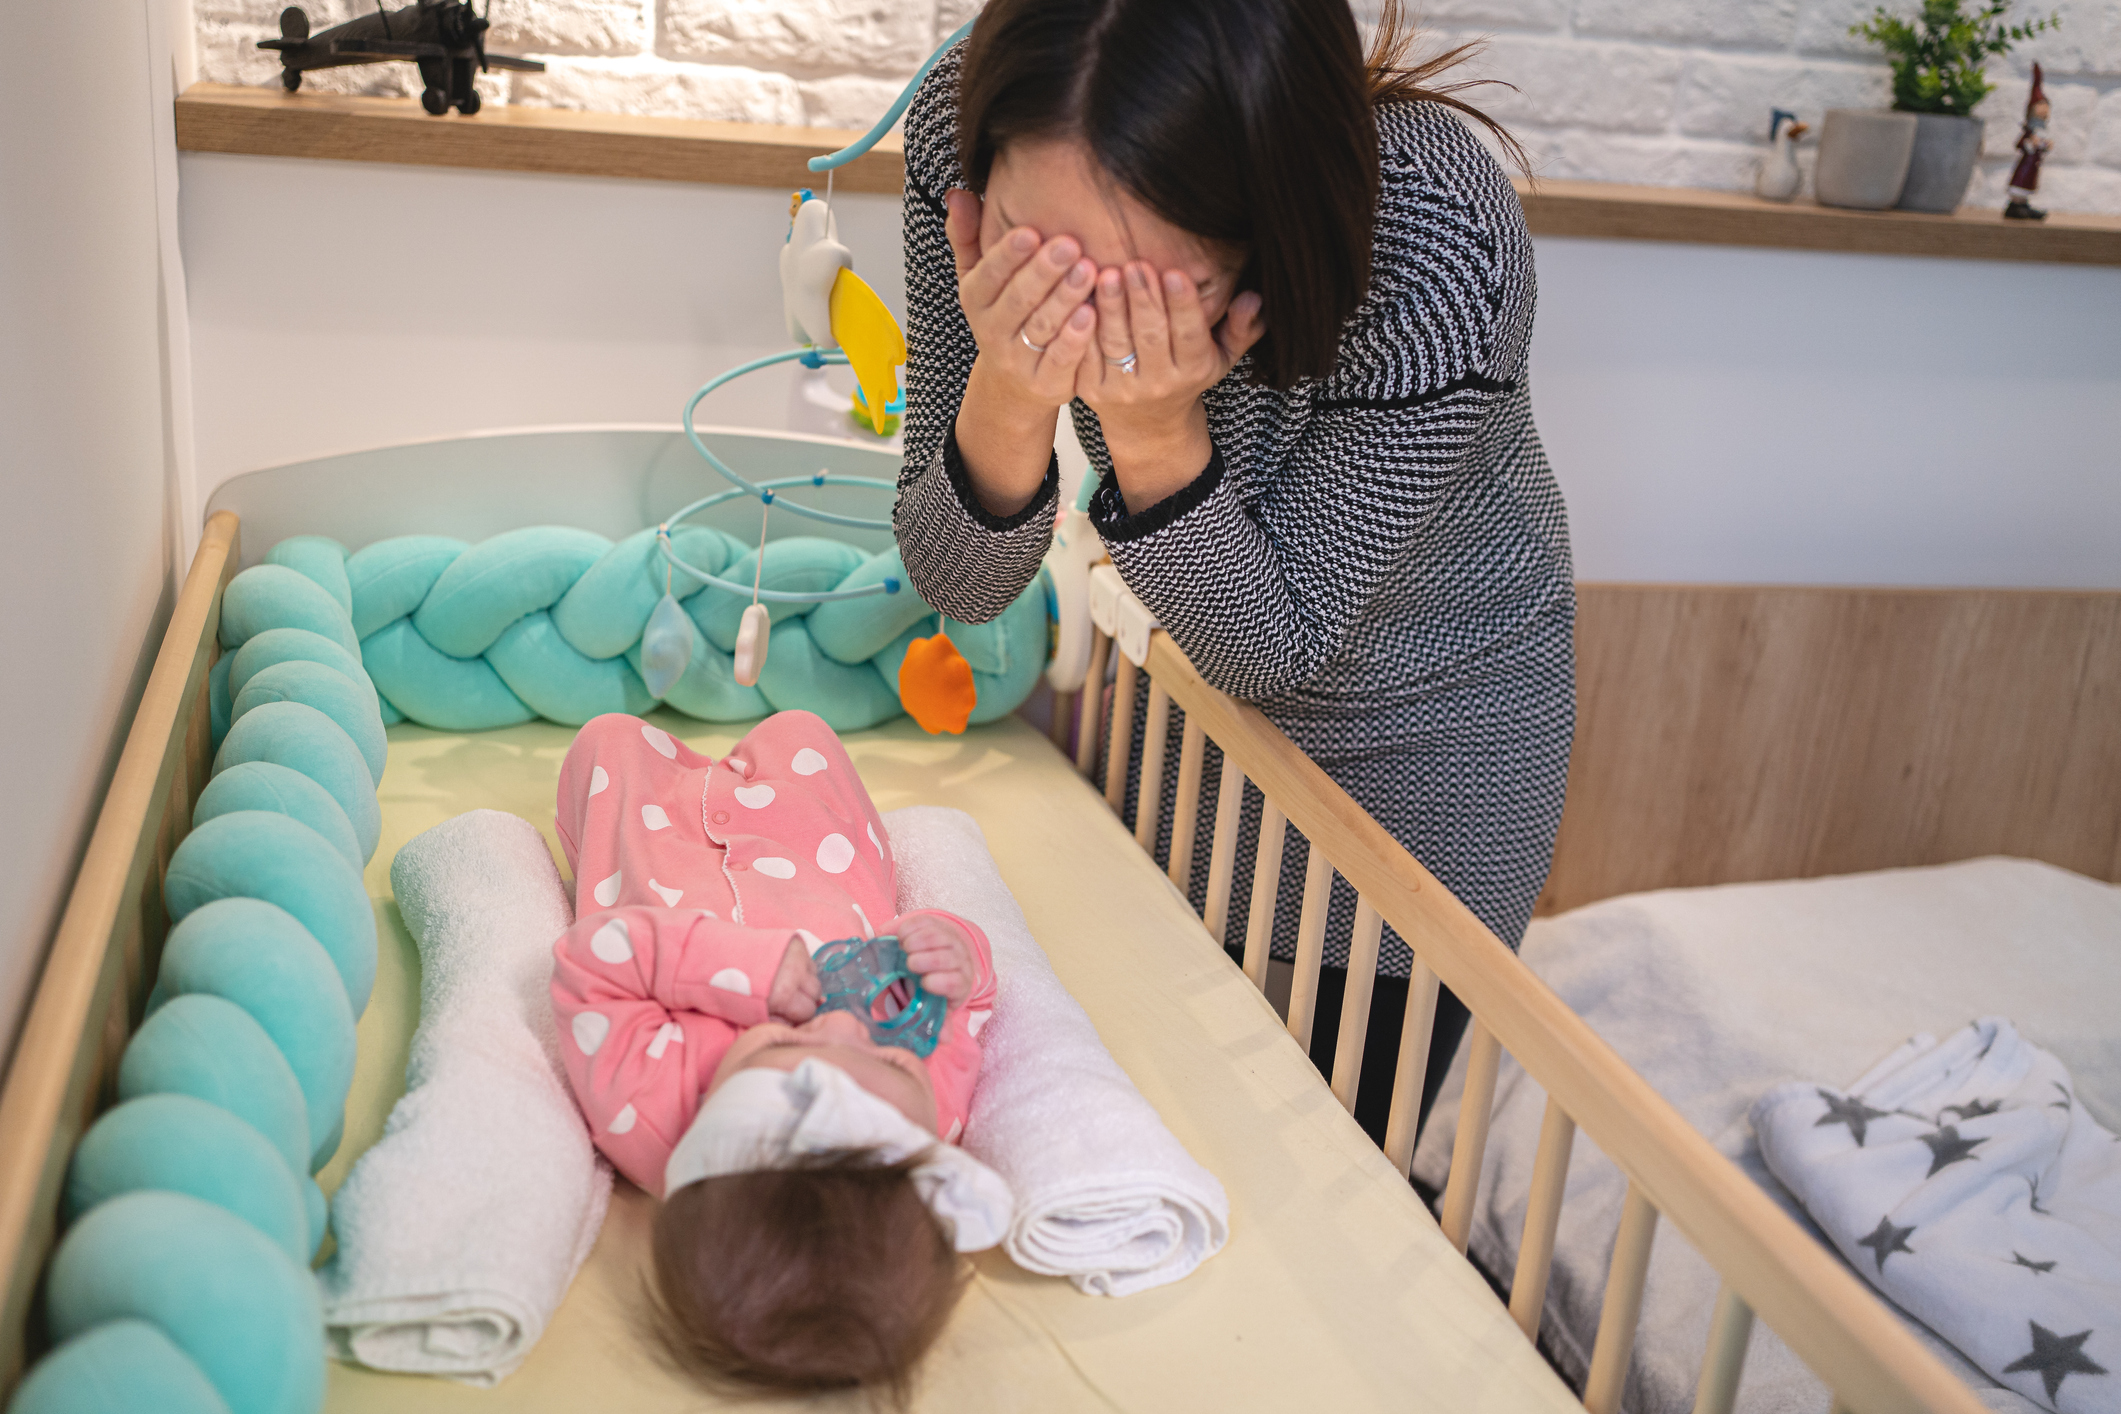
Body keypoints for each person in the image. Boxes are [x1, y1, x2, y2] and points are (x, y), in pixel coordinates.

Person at [891, 0, 1574, 1144]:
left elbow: (1275, 646)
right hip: (1192, 705)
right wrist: (1006, 392)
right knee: (1120, 1105)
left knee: (1307, 1169)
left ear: (1265, 226)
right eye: (1030, 255)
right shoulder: (959, 128)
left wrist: (1152, 432)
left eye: (1146, 296)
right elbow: (960, 579)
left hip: (1419, 758)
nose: (1075, 319)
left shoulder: (1441, 237)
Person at [547, 710, 1011, 1399]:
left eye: (791, 1046)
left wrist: (746, 970)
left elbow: (593, 967)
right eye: (889, 1062)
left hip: (657, 854)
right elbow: (963, 1007)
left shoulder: (645, 1114)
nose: (844, 1029)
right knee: (802, 730)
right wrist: (952, 952)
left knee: (607, 738)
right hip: (812, 856)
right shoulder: (921, 1120)